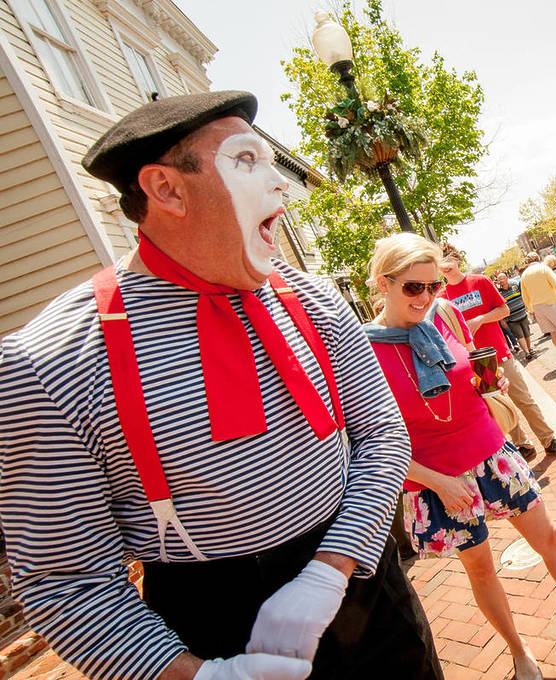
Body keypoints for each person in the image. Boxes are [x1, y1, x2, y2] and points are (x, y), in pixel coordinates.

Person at [0, 91, 441, 680]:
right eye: (247, 162)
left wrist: (327, 571)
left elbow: (382, 435)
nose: (281, 184)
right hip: (211, 630)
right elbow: (69, 582)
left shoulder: (314, 299)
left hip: (368, 590)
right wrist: (200, 677)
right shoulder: (46, 362)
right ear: (167, 190)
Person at [363, 233, 556, 680]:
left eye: (433, 286)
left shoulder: (443, 314)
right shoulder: (362, 350)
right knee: (482, 569)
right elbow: (375, 444)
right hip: (437, 479)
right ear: (383, 283)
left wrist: (490, 387)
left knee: (553, 540)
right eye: (413, 287)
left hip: (491, 452)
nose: (426, 297)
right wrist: (436, 482)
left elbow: (469, 371)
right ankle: (520, 652)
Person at [437, 245, 556, 459]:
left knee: (523, 399)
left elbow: (504, 310)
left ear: (456, 259)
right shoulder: (442, 298)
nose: (444, 265)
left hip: (498, 352)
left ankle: (548, 440)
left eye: (446, 258)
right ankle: (523, 444)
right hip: (476, 362)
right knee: (498, 405)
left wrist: (480, 319)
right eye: (439, 261)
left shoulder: (479, 281)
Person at [519, 252, 556, 365]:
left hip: (537, 307)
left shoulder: (524, 275)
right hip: (551, 303)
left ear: (527, 262)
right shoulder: (543, 268)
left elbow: (524, 295)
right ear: (538, 259)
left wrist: (531, 309)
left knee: (552, 331)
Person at [496, 271, 534, 358]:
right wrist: (502, 320)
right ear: (497, 281)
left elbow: (524, 295)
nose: (501, 281)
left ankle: (529, 349)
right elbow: (498, 307)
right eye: (499, 280)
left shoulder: (515, 285)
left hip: (522, 314)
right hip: (511, 319)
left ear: (507, 277)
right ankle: (527, 352)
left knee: (527, 333)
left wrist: (529, 307)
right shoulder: (498, 292)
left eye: (503, 278)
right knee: (519, 336)